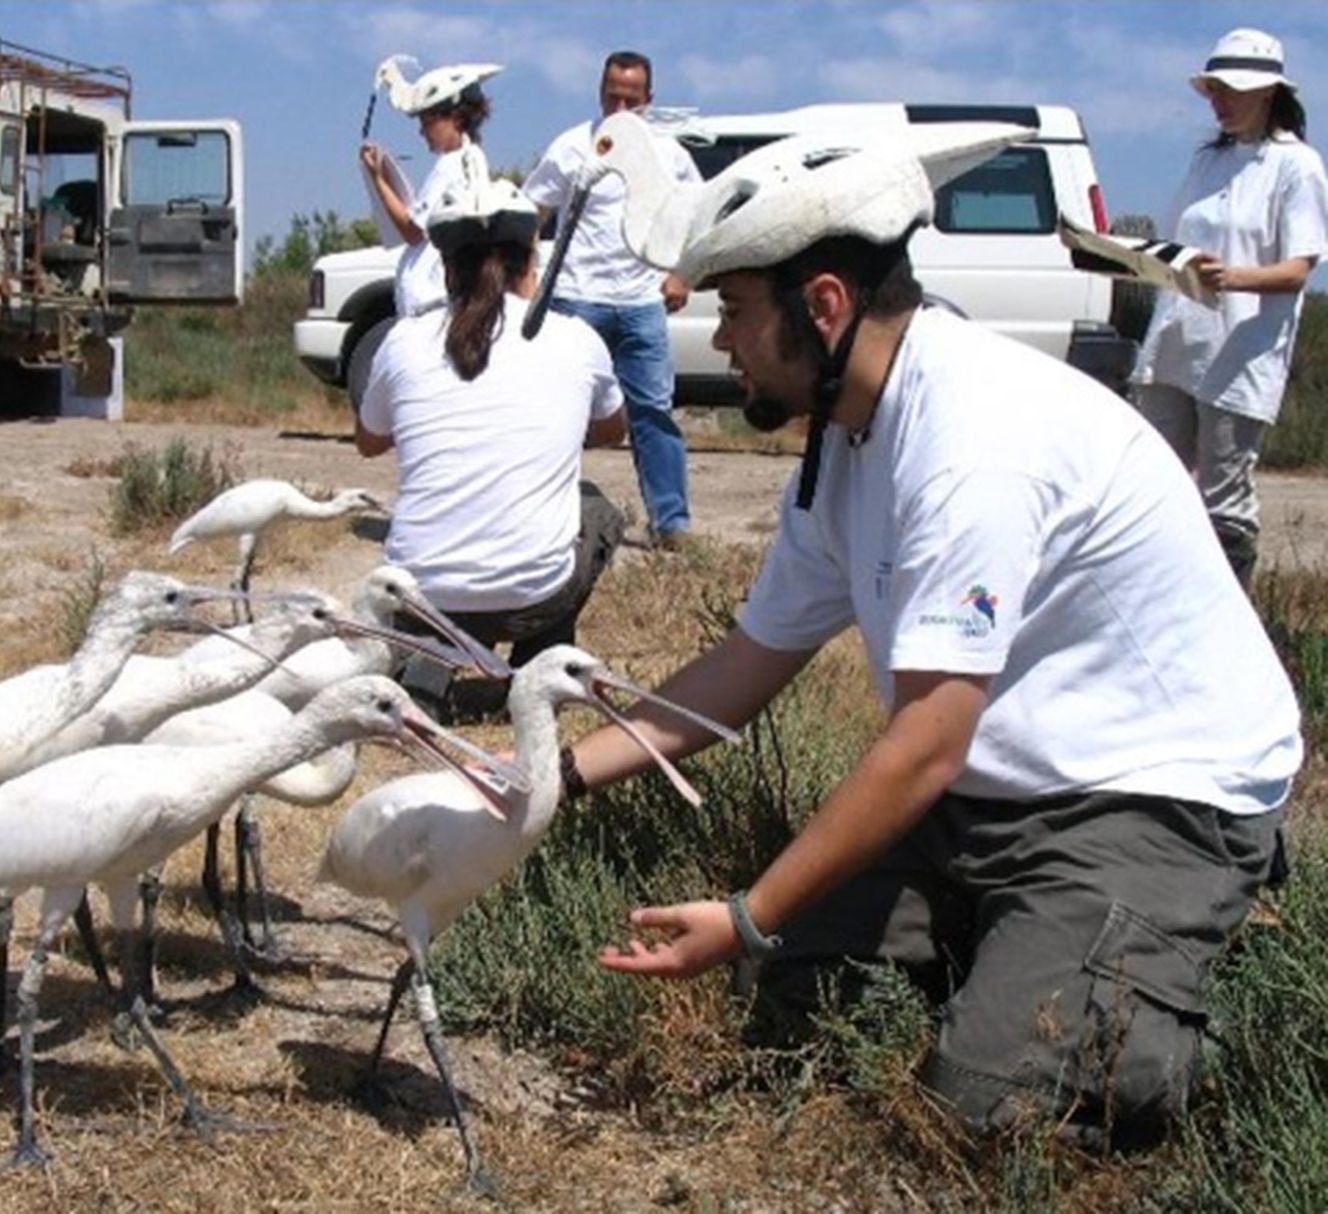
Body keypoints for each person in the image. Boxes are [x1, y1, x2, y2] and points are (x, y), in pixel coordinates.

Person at [556, 116, 1302, 1146]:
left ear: (822, 305)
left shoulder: (971, 441)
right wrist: (553, 775)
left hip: (1153, 795)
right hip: (992, 788)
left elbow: (925, 742)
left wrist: (747, 915)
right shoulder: (848, 441)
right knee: (798, 1006)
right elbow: (744, 663)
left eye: (733, 309)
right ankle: (1026, 950)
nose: (721, 339)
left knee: (979, 1107)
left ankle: (1204, 988)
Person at [356, 176, 628, 714]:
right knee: (595, 507)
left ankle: (427, 662)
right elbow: (614, 430)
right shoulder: (576, 339)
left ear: (446, 266)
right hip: (535, 597)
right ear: (532, 258)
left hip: (420, 600)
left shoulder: (403, 340)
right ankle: (542, 658)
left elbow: (369, 441)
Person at [1133, 28, 1328, 588]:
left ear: (1268, 93)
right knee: (1159, 481)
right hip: (1176, 342)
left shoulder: (1297, 165)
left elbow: (1297, 269)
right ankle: (1166, 600)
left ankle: (1229, 618)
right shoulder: (1207, 162)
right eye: (1214, 90)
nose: (1219, 101)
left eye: (1231, 91)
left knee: (1224, 497)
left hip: (1239, 352)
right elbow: (1176, 242)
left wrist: (1232, 278)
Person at [523, 51, 701, 549]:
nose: (620, 105)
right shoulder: (573, 147)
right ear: (600, 92)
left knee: (653, 413)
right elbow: (531, 211)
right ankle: (546, 516)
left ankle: (672, 527)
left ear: (648, 100)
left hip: (642, 303)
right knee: (563, 412)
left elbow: (696, 215)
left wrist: (681, 273)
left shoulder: (669, 154)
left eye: (631, 98)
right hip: (578, 299)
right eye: (612, 96)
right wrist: (522, 272)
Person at [361, 60, 498, 318]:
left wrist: (378, 178)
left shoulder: (450, 165)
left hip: (430, 303)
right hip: (446, 299)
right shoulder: (474, 158)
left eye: (428, 122)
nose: (422, 132)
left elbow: (412, 231)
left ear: (456, 119)